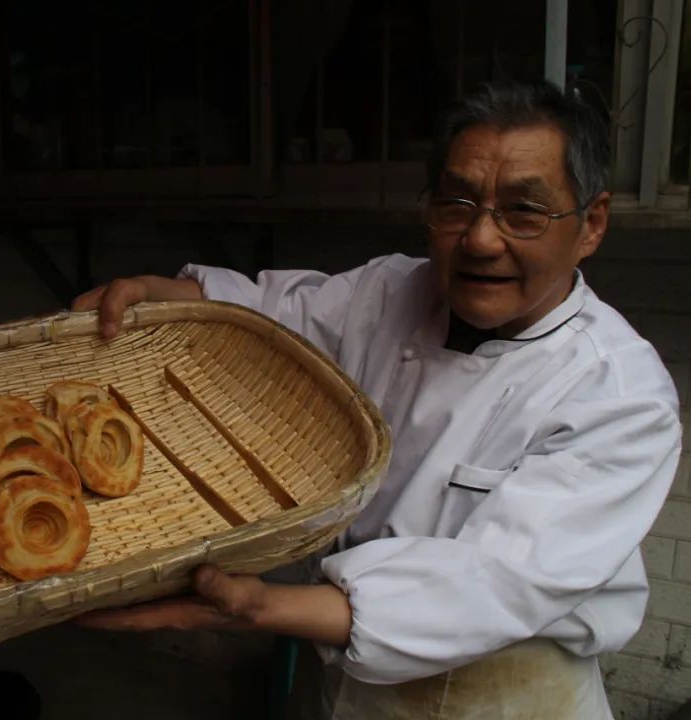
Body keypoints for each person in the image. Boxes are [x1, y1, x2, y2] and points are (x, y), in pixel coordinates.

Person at [70, 81, 683, 719]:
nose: (479, 239)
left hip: (500, 692)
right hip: (332, 664)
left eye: (523, 211)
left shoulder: (618, 395)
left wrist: (261, 608)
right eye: (456, 203)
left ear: (592, 224)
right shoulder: (393, 290)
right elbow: (277, 317)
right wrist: (153, 290)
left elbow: (497, 582)